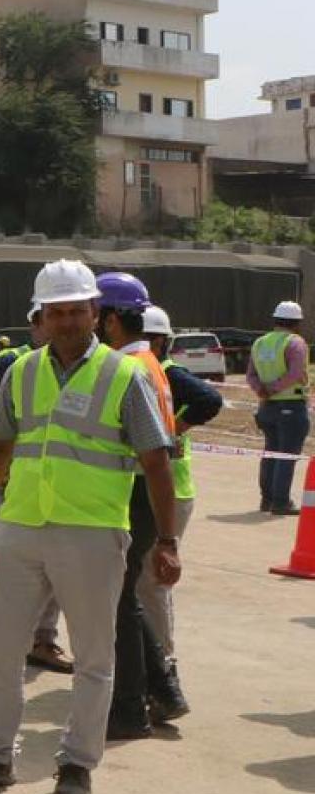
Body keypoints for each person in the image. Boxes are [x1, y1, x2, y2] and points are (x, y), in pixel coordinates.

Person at [0, 259, 181, 794]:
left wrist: (167, 540)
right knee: (0, 649)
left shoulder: (125, 376)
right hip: (22, 527)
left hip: (93, 531)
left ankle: (77, 765)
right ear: (41, 316)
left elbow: (156, 462)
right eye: (58, 312)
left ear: (96, 315)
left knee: (95, 657)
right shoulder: (23, 371)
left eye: (78, 310)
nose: (69, 320)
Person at [93, 275, 186, 740]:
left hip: (130, 494)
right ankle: (165, 689)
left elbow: (146, 452)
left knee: (117, 606)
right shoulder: (150, 360)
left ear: (110, 320)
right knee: (124, 599)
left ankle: (129, 707)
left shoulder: (124, 368)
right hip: (143, 496)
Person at [0, 305, 72, 676]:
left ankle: (43, 639)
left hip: (58, 488)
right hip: (15, 485)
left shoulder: (73, 365)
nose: (58, 328)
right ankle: (14, 640)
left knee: (56, 571)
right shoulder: (12, 363)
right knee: (16, 569)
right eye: (50, 320)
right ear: (36, 324)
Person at [141, 304, 219, 719]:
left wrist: (174, 429)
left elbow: (210, 399)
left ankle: (162, 671)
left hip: (168, 489)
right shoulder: (153, 368)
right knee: (150, 583)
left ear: (155, 340)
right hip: (166, 488)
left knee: (150, 584)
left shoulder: (164, 370)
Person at [247, 300, 308, 515]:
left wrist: (262, 391)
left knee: (271, 453)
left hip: (266, 407)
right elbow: (295, 374)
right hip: (290, 405)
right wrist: (272, 389)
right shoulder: (295, 343)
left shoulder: (260, 343)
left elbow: (251, 375)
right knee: (286, 455)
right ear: (296, 322)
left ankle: (267, 499)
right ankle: (281, 502)